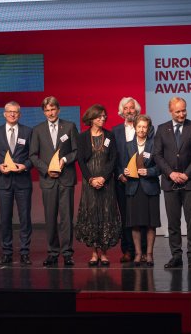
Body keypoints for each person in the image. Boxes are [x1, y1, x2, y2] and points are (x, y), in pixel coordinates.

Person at [152, 96, 191, 269]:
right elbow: (157, 155)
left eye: (184, 110)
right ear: (170, 111)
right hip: (170, 182)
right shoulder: (161, 129)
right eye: (178, 111)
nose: (182, 114)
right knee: (173, 223)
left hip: (190, 183)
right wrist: (171, 173)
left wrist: (187, 174)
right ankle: (176, 256)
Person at [29, 96, 78, 266]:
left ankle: (67, 253)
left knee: (66, 217)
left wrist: (64, 160)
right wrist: (46, 169)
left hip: (66, 179)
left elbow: (76, 151)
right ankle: (52, 252)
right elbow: (33, 156)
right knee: (50, 218)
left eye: (53, 109)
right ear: (44, 112)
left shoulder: (70, 127)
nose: (50, 113)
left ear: (58, 109)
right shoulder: (37, 130)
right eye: (47, 110)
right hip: (48, 179)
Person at [74, 104, 121, 266]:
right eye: (99, 117)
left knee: (106, 214)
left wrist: (104, 178)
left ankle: (105, 253)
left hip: (106, 182)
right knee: (93, 214)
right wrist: (91, 179)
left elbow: (113, 158)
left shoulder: (110, 136)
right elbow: (80, 160)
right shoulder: (82, 137)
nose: (103, 119)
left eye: (104, 116)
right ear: (91, 119)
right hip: (90, 183)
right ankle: (94, 253)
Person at [0, 101, 33, 265]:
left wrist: (25, 165)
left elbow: (33, 156)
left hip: (23, 181)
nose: (12, 114)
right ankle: (6, 252)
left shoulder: (28, 131)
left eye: (15, 112)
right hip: (4, 181)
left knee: (25, 218)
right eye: (9, 111)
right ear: (4, 113)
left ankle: (24, 252)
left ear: (19, 114)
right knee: (5, 218)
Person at [112, 97, 150, 263]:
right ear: (122, 111)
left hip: (142, 181)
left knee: (142, 216)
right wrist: (120, 174)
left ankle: (141, 251)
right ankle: (127, 250)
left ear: (137, 110)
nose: (129, 111)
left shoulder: (146, 128)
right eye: (126, 108)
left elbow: (151, 150)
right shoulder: (115, 131)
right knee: (126, 217)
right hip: (123, 180)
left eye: (132, 108)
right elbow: (114, 157)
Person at [121, 114, 160, 267]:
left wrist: (149, 172)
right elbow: (122, 165)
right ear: (135, 127)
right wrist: (125, 171)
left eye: (145, 127)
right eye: (139, 126)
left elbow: (160, 167)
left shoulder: (155, 144)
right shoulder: (128, 145)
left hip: (150, 187)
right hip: (133, 188)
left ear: (149, 128)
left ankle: (149, 254)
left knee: (151, 224)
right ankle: (138, 253)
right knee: (135, 224)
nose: (142, 129)